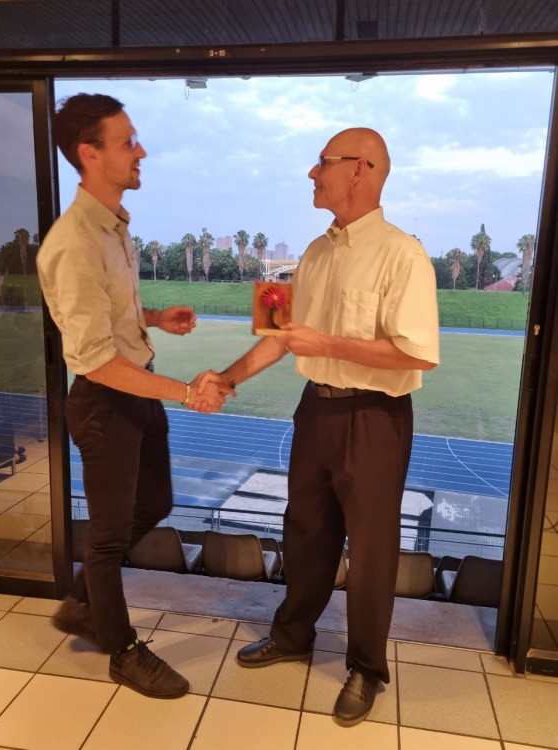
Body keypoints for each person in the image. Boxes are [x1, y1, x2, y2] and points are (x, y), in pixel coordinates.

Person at [218, 127, 440, 727]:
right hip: (315, 407)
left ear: (360, 168)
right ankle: (293, 636)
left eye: (322, 163)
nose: (312, 174)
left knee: (371, 549)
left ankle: (366, 668)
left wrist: (329, 343)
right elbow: (282, 336)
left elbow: (417, 353)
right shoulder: (315, 253)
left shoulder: (402, 254)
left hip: (375, 417)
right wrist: (228, 378)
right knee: (305, 530)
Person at [37, 93, 234, 700]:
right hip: (105, 402)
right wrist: (186, 392)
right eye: (127, 142)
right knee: (107, 537)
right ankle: (122, 652)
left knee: (156, 503)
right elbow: (96, 358)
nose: (140, 151)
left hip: (134, 392)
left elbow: (106, 315)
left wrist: (153, 317)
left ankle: (82, 602)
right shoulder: (73, 242)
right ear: (90, 153)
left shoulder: (113, 225)